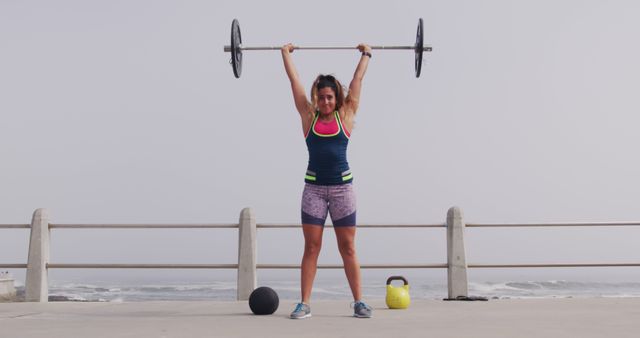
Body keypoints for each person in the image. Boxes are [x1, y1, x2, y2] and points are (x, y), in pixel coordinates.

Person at [281, 42, 373, 319]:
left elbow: (358, 80)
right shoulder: (308, 117)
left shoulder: (345, 115)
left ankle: (358, 302)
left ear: (337, 98)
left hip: (343, 190)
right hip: (314, 191)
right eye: (321, 97)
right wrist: (285, 55)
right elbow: (294, 80)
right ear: (316, 98)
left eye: (330, 97)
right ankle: (304, 304)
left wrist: (366, 55)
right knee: (311, 247)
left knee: (348, 247)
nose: (325, 102)